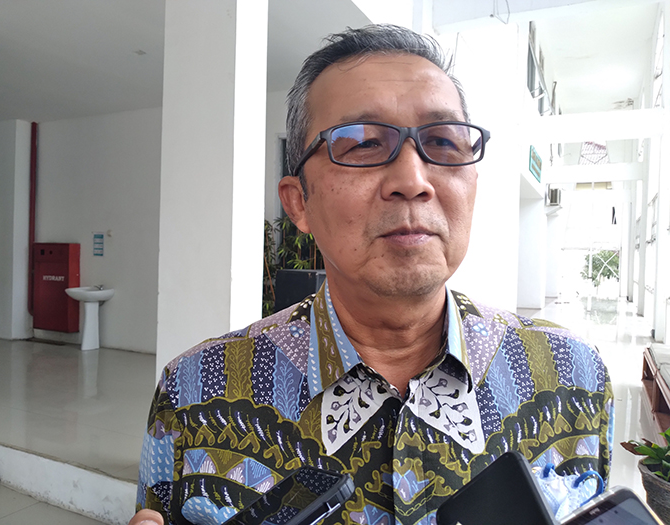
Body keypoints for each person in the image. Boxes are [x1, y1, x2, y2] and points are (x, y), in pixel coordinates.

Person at [130, 24, 613, 525]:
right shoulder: (195, 393)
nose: (412, 180)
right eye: (362, 143)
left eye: (442, 141)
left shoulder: (572, 377)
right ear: (299, 203)